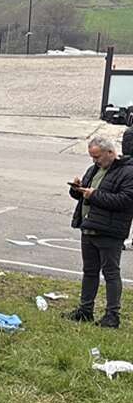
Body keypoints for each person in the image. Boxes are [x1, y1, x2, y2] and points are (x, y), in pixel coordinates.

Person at [67, 135, 133, 328]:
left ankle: (112, 316)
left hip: (110, 232)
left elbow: (125, 201)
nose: (94, 161)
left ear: (110, 153)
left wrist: (94, 195)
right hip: (89, 227)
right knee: (89, 271)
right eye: (92, 157)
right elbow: (84, 194)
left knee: (111, 273)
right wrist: (77, 189)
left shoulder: (128, 172)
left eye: (97, 157)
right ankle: (85, 310)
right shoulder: (94, 169)